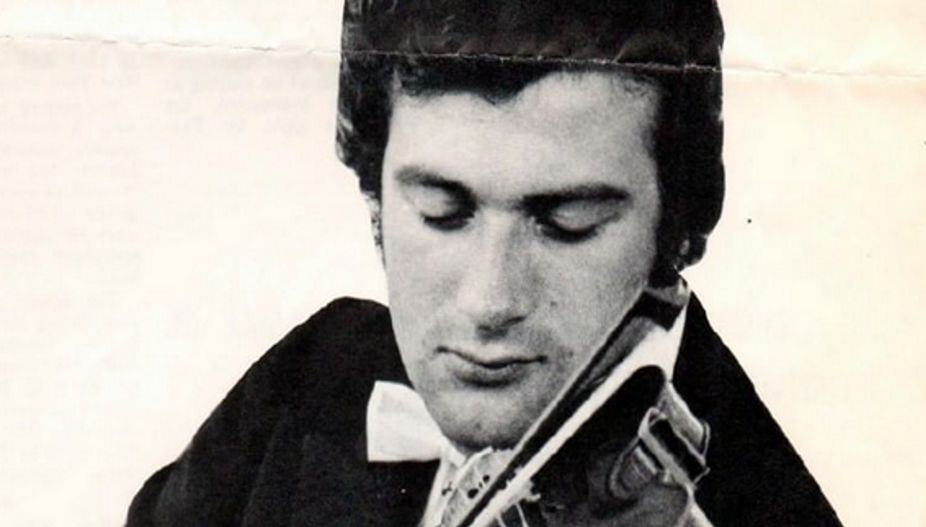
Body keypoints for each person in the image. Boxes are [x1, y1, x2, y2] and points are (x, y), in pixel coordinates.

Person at [127, 1, 841, 525]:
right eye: (442, 212)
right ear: (376, 201)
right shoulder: (309, 380)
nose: (489, 300)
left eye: (567, 223)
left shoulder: (762, 506)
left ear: (680, 224)